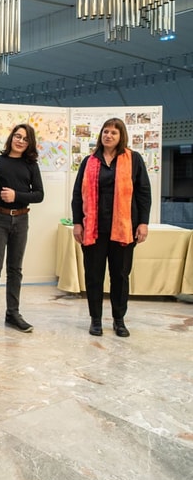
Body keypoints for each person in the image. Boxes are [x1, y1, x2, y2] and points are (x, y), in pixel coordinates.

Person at [71, 118, 151, 337]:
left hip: (124, 229)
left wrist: (143, 222)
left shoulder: (133, 159)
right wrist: (77, 222)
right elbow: (77, 194)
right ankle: (95, 320)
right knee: (94, 276)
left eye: (114, 133)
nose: (108, 136)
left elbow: (143, 193)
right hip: (93, 229)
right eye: (106, 132)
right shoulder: (89, 161)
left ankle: (119, 320)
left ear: (121, 136)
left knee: (120, 276)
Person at [0, 124, 44, 334]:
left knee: (15, 269)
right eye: (18, 136)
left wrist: (16, 196)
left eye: (25, 139)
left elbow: (39, 194)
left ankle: (13, 314)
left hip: (21, 219)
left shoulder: (31, 165)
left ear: (30, 143)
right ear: (11, 137)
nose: (20, 141)